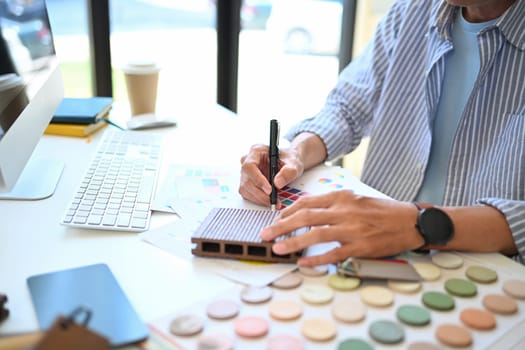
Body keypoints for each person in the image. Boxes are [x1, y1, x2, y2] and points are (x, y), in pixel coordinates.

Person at [239, 0, 525, 267]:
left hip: (488, 269)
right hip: (373, 250)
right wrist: (297, 152)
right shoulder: (411, 10)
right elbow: (347, 107)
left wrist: (418, 224)